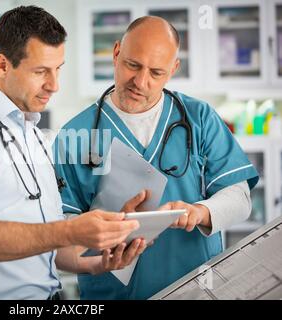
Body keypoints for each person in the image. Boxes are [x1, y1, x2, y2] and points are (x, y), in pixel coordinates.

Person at [0, 6, 148, 300]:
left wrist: (97, 261)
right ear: (3, 65)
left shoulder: (31, 131)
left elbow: (45, 248)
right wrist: (70, 231)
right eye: (41, 71)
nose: (54, 85)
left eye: (58, 69)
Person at [53, 16, 259, 300]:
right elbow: (61, 235)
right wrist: (107, 231)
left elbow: (239, 197)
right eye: (132, 65)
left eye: (156, 72)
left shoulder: (199, 118)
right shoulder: (74, 134)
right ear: (116, 53)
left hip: (198, 291)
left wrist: (199, 211)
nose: (141, 81)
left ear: (173, 69)